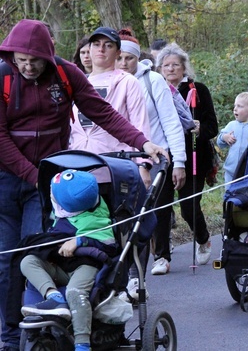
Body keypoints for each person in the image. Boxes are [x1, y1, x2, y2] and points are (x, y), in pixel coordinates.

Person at [0, 19, 167, 350]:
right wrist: (34, 175)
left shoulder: (65, 75)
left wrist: (144, 143)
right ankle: (10, 338)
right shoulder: (2, 77)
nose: (28, 66)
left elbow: (102, 112)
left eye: (35, 60)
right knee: (6, 261)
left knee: (37, 250)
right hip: (8, 180)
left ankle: (48, 325)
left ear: (49, 56)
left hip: (49, 183)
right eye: (21, 60)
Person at [115, 31, 187, 278]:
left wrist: (179, 162)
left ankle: (161, 256)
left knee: (155, 209)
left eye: (129, 59)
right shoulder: (109, 82)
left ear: (138, 59)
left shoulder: (153, 81)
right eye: (120, 58)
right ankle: (126, 272)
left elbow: (171, 122)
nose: (124, 64)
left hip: (156, 156)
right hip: (121, 158)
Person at [20, 169, 117, 351]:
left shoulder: (95, 219)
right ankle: (53, 296)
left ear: (66, 206)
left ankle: (82, 343)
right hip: (62, 267)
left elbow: (110, 244)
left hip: (85, 267)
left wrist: (80, 241)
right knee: (27, 261)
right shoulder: (66, 213)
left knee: (75, 292)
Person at [157, 43, 219, 266]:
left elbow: (213, 127)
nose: (171, 69)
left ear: (184, 68)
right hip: (163, 156)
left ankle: (203, 238)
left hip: (194, 156)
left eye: (175, 65)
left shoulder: (198, 90)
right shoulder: (156, 89)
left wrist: (199, 127)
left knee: (188, 207)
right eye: (166, 65)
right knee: (161, 207)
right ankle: (161, 257)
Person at [69, 29, 152, 188]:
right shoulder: (78, 83)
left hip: (115, 168)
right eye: (96, 44)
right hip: (78, 167)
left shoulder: (127, 82)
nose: (101, 49)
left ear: (117, 52)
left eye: (108, 45)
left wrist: (143, 164)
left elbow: (140, 124)